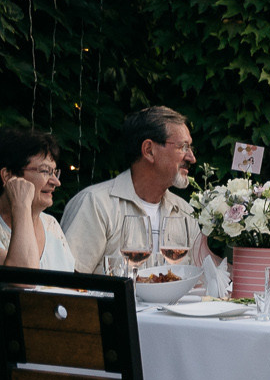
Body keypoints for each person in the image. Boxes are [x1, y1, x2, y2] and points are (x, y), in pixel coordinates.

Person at [62, 106, 205, 275]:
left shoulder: (185, 212)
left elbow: (199, 280)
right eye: (183, 147)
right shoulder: (95, 204)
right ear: (149, 150)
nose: (192, 158)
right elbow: (68, 280)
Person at [0, 128, 76, 271]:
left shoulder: (51, 224)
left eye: (54, 172)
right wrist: (21, 206)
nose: (56, 182)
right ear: (8, 176)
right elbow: (24, 277)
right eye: (45, 171)